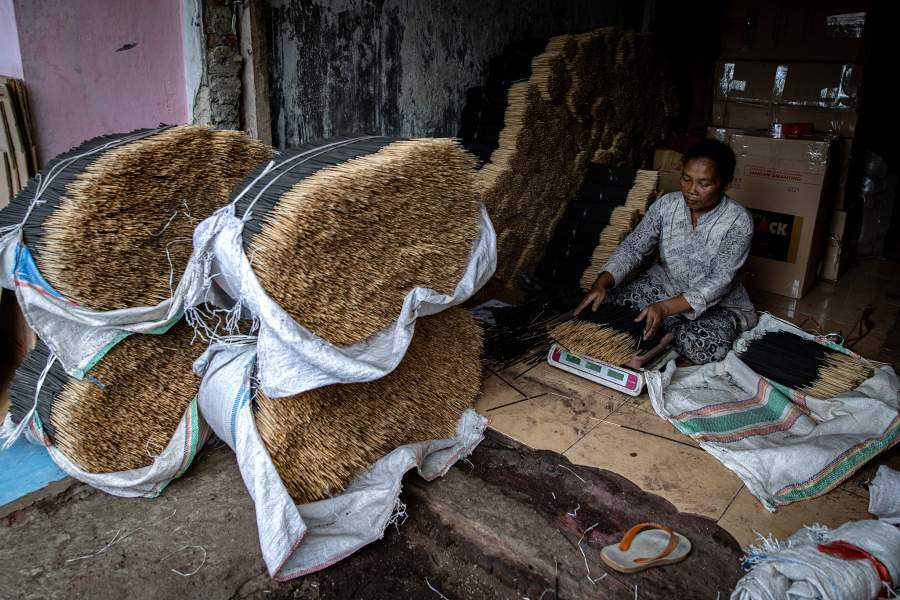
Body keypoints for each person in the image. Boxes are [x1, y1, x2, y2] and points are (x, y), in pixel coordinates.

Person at [575, 139, 756, 364]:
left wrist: (666, 308)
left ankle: (671, 327)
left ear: (725, 183)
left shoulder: (738, 222)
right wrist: (601, 283)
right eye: (686, 179)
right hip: (664, 286)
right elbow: (634, 248)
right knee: (606, 307)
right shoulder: (666, 206)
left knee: (702, 348)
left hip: (720, 305)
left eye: (704, 184)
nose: (691, 190)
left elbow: (719, 280)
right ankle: (668, 326)